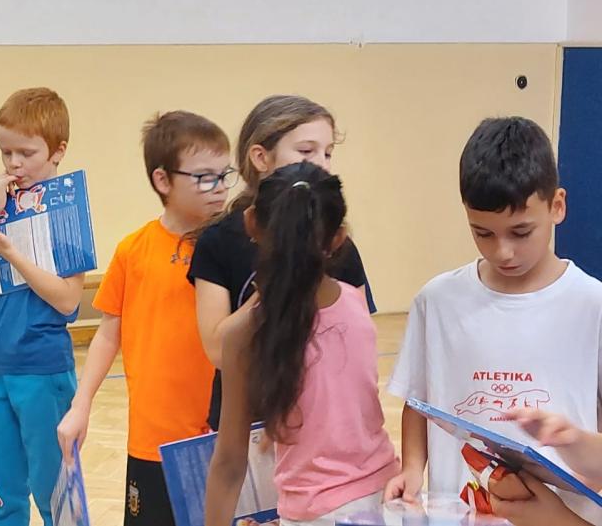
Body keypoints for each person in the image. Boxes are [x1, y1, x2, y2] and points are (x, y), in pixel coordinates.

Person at [385, 117, 602, 525]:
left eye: (521, 232)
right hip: (461, 514)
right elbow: (417, 401)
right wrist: (412, 469)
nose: (503, 252)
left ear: (557, 206)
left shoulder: (593, 305)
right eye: (483, 233)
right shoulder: (438, 301)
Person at [57, 110, 231, 526]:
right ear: (162, 180)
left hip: (223, 438)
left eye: (225, 175)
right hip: (153, 441)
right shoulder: (133, 250)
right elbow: (108, 334)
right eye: (205, 177)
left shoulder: (235, 247)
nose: (221, 187)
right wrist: (81, 404)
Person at [204, 162, 397, 526]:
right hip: (387, 499)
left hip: (316, 512)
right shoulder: (354, 302)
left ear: (250, 222)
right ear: (338, 238)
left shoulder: (245, 333)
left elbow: (229, 463)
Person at [0, 87, 82, 526]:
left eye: (26, 153)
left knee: (53, 490)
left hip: (42, 368)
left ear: (58, 151)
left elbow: (68, 300)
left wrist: (10, 252)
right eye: (6, 153)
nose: (14, 164)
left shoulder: (67, 211)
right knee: (3, 493)